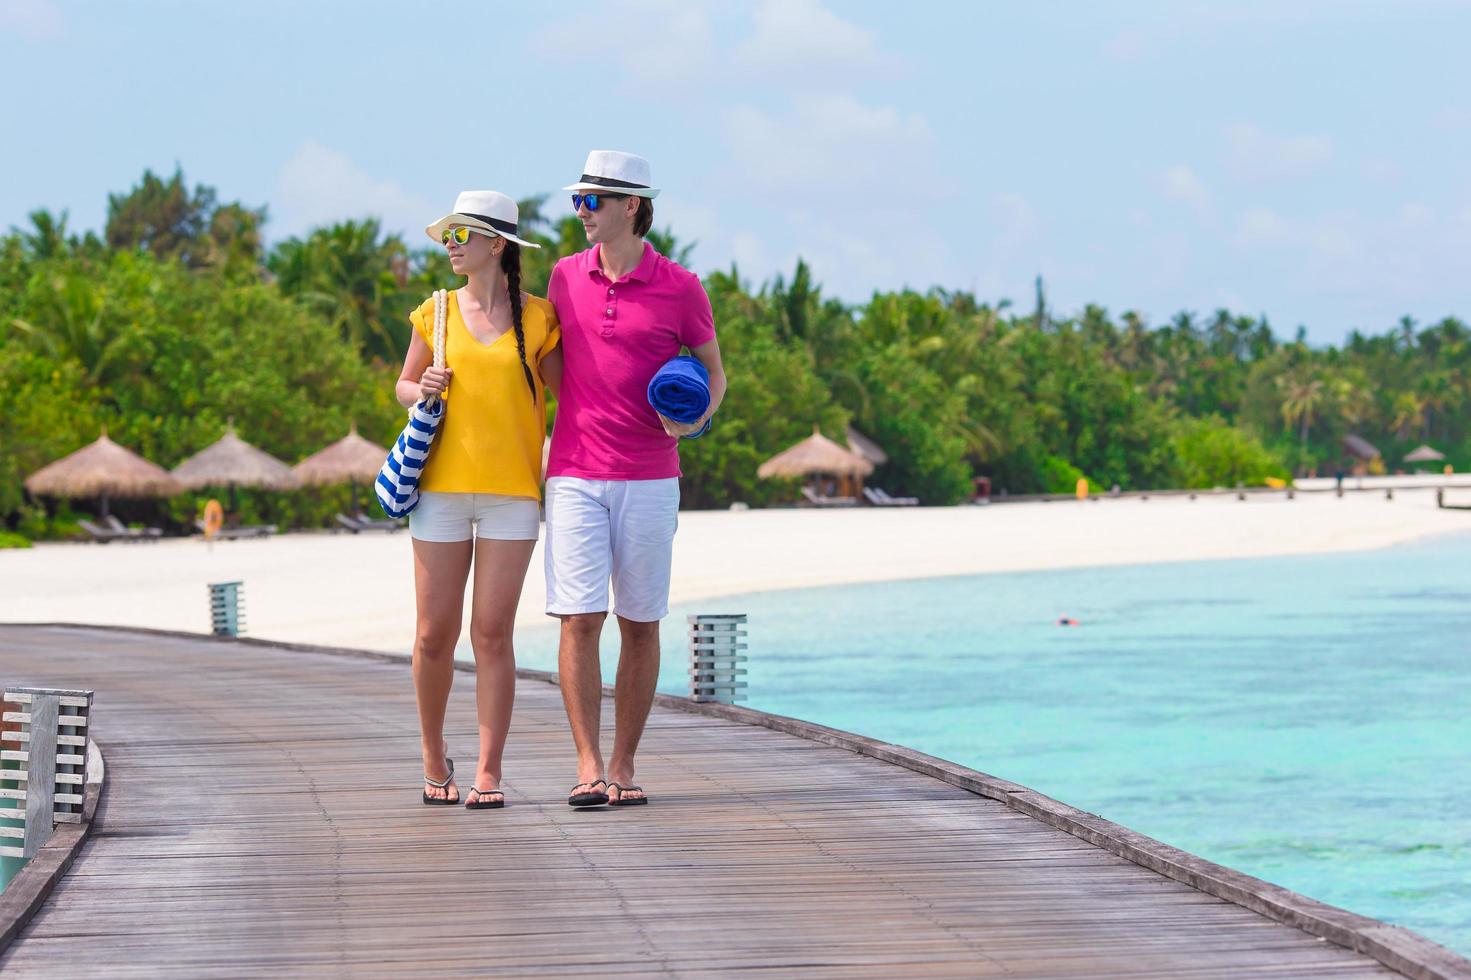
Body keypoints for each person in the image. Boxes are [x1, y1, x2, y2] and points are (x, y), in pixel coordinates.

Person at [544, 151, 727, 808]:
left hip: (651, 476)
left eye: (591, 201)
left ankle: (623, 765)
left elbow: (714, 371)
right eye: (578, 200)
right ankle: (588, 764)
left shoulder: (681, 286)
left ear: (631, 206)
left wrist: (694, 419)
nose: (581, 212)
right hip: (573, 474)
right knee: (578, 620)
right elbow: (547, 365)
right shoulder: (563, 277)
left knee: (641, 622)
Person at [396, 191, 562, 809]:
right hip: (438, 491)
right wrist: (421, 389)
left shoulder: (540, 318)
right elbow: (402, 385)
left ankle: (489, 772)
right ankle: (435, 760)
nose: (452, 246)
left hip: (512, 496)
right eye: (448, 236)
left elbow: (572, 401)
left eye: (463, 235)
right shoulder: (433, 312)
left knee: (492, 633)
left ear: (498, 244)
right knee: (433, 634)